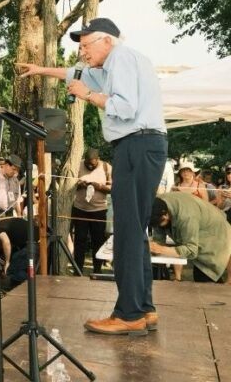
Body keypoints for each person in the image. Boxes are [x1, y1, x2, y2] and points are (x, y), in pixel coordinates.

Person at [18, 17, 167, 335]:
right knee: (135, 230)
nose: (82, 52)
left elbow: (124, 108)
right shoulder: (116, 65)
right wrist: (42, 70)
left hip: (136, 145)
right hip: (141, 146)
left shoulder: (122, 58)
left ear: (107, 41)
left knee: (126, 230)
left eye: (86, 45)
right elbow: (75, 74)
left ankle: (129, 314)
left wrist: (86, 95)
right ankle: (144, 308)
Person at [150, 193, 231, 284]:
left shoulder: (187, 216)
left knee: (205, 279)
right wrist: (154, 247)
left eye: (158, 225)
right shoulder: (156, 205)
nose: (158, 228)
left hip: (215, 234)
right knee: (201, 278)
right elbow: (158, 238)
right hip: (198, 225)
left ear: (166, 216)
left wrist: (160, 249)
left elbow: (191, 250)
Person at [71, 148, 112, 274]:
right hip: (80, 209)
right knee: (80, 240)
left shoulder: (106, 167)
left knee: (98, 240)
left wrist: (98, 186)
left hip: (99, 210)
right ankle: (78, 269)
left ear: (98, 160)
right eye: (87, 163)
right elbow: (69, 184)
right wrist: (79, 185)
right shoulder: (78, 165)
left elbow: (112, 188)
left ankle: (97, 269)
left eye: (92, 164)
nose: (89, 165)